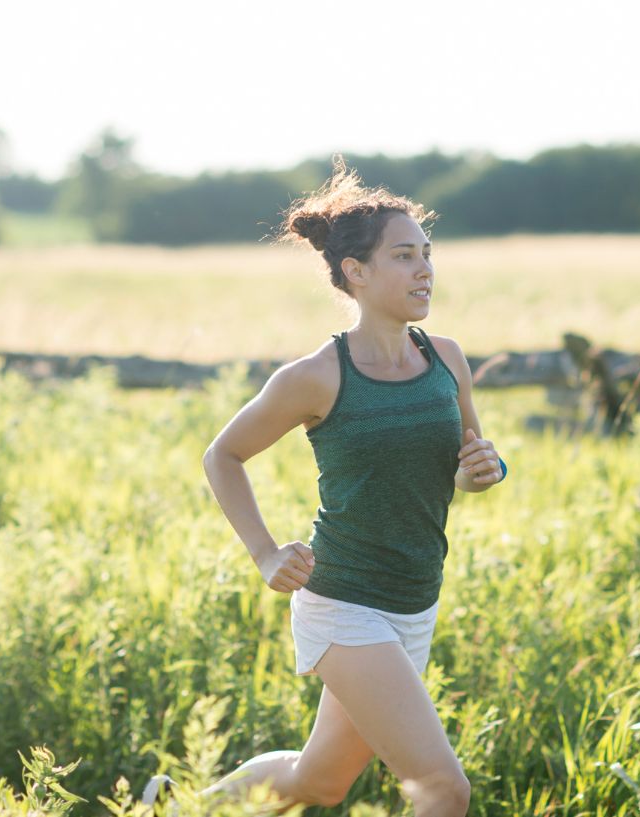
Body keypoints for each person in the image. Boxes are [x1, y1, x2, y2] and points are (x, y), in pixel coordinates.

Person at [186, 159, 505, 817]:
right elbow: (224, 455)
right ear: (356, 272)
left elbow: (469, 464)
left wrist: (482, 472)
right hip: (343, 601)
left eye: (427, 254)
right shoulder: (316, 376)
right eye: (404, 256)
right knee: (444, 789)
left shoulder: (446, 357)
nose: (425, 270)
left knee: (319, 782)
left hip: (415, 600)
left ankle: (178, 807)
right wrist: (267, 553)